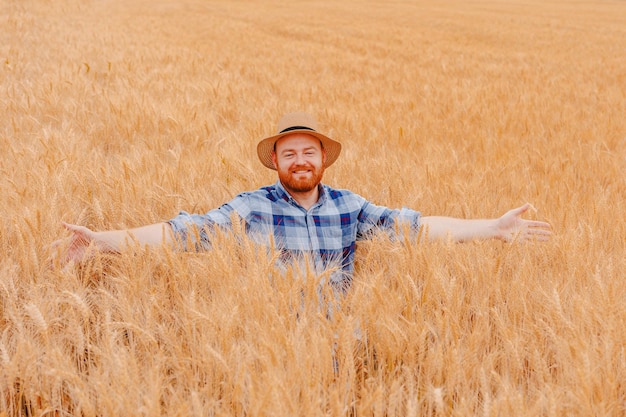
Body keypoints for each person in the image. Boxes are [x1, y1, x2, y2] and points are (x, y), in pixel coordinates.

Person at [55, 112, 552, 291]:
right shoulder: (251, 209)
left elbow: (415, 227)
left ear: (322, 161)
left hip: (343, 346)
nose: (299, 161)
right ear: (274, 162)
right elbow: (183, 232)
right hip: (274, 345)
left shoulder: (349, 207)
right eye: (288, 153)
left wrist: (492, 227)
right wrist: (103, 241)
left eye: (308, 152)